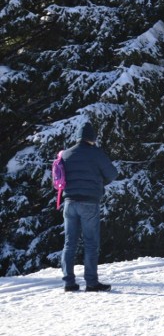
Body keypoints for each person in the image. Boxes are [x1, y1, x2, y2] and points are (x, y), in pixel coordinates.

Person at [60, 121, 118, 292]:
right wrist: (99, 181)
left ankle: (69, 282)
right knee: (91, 243)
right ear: (92, 138)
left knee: (69, 243)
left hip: (69, 203)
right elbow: (112, 174)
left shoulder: (65, 154)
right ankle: (91, 282)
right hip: (89, 202)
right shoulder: (96, 153)